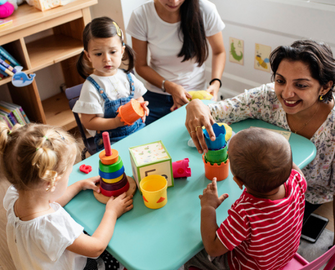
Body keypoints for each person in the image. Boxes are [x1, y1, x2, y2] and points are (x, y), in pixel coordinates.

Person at [185, 39, 335, 243]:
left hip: (311, 198)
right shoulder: (266, 98)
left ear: (325, 87)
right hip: (261, 189)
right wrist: (195, 105)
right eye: (281, 81)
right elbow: (216, 111)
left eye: (300, 85)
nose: (287, 93)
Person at [0, 121, 133, 270]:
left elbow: (49, 201)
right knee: (118, 259)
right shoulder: (53, 225)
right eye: (69, 174)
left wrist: (79, 185)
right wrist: (112, 212)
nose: (70, 178)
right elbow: (96, 247)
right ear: (50, 183)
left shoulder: (15, 196)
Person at [185, 128, 307, 270]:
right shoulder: (296, 180)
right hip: (281, 258)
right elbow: (296, 171)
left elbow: (212, 248)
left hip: (251, 267)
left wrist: (208, 207)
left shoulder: (245, 213)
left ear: (237, 181)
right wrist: (280, 159)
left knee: (194, 254)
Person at [127, 0, 226, 125]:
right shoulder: (141, 15)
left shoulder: (206, 10)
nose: (174, 1)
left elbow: (219, 52)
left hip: (195, 96)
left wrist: (216, 83)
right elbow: (140, 66)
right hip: (157, 96)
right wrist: (170, 87)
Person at [74, 17, 149, 151]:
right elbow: (88, 122)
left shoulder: (127, 77)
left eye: (112, 52)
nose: (106, 59)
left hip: (138, 131)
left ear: (122, 51)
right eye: (98, 54)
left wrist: (140, 107)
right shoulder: (91, 87)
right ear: (88, 56)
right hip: (111, 141)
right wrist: (115, 123)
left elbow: (138, 98)